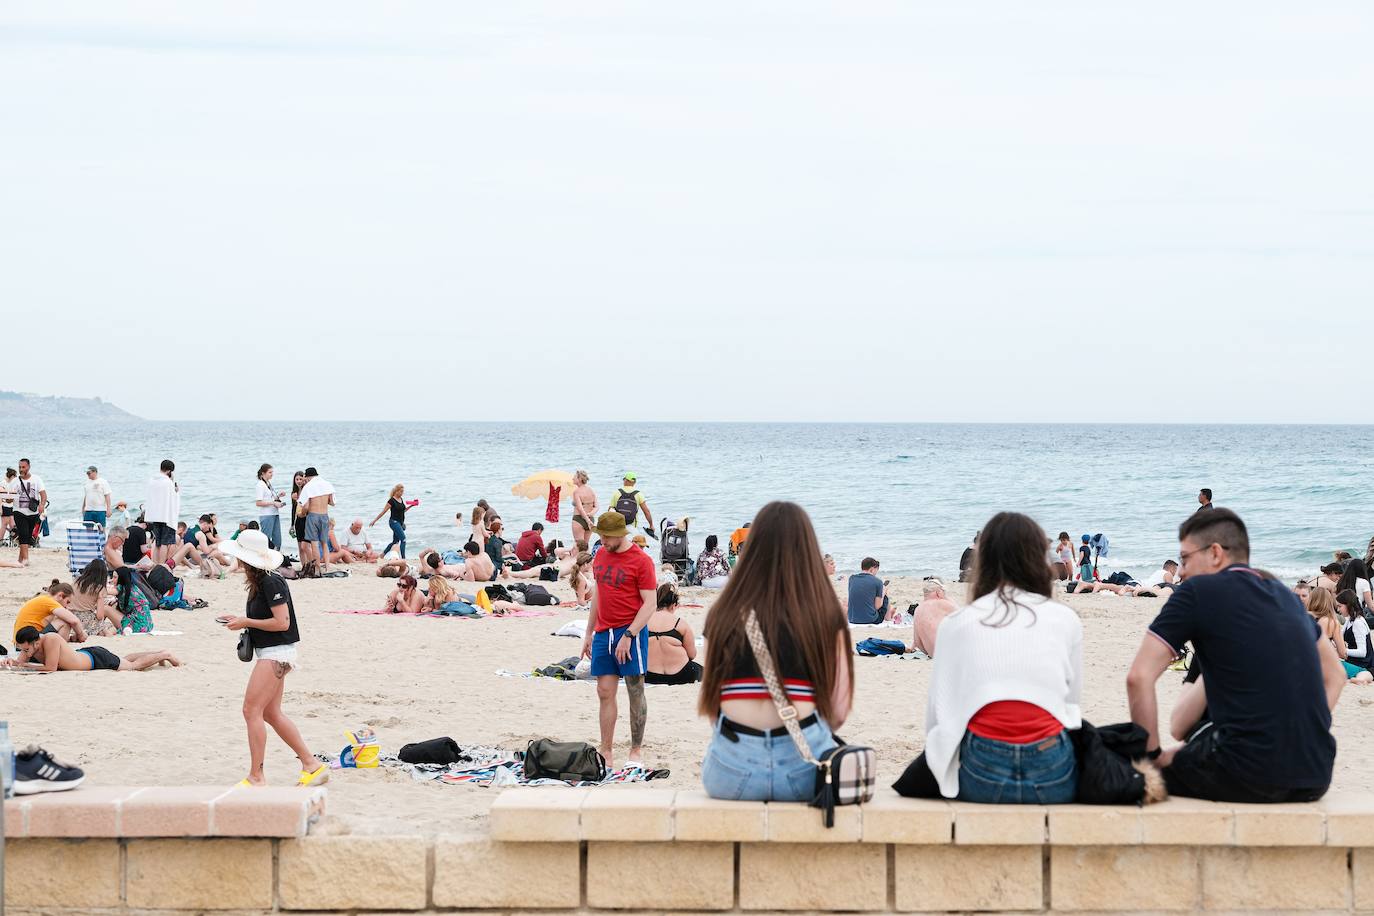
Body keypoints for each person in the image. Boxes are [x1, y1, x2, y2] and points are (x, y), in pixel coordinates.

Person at [1125, 508, 1343, 802]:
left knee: (1121, 765)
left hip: (1242, 771)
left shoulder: (1196, 592)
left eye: (1186, 558)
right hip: (1315, 773)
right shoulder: (1285, 597)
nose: (1182, 571)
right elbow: (1336, 676)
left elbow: (1138, 678)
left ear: (1215, 553)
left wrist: (1152, 758)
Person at [917, 512, 1083, 803]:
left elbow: (937, 717)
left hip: (983, 768)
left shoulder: (958, 623)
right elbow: (1071, 707)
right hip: (1051, 767)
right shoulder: (1065, 618)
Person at [698, 501, 851, 801]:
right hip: (805, 769)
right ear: (808, 550)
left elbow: (714, 709)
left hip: (731, 772)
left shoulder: (724, 613)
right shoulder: (827, 615)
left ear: (752, 548)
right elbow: (838, 712)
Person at [217, 529, 328, 788]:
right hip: (274, 652)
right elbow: (270, 619)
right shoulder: (261, 581)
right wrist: (240, 619)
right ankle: (312, 765)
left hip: (277, 652)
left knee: (251, 710)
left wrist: (245, 621)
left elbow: (282, 622)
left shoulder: (271, 581)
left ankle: (257, 776)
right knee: (271, 713)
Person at [580, 511, 658, 768]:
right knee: (604, 691)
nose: (601, 540)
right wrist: (589, 632)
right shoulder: (601, 554)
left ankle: (635, 750)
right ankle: (606, 750)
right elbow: (599, 594)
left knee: (635, 689)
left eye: (606, 536)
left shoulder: (641, 561)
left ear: (619, 535)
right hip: (604, 631)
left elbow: (650, 604)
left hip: (630, 630)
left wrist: (629, 634)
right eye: (600, 535)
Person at [8, 627, 179, 672]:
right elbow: (19, 663)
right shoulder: (31, 646)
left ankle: (165, 654)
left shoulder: (50, 639)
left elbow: (51, 668)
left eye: (26, 649)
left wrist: (26, 666)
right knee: (125, 659)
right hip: (88, 655)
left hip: (95, 660)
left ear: (35, 643)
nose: (24, 653)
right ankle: (158, 653)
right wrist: (11, 662)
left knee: (132, 667)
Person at [644, 584, 701, 685]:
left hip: (650, 675)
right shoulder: (680, 623)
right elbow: (692, 655)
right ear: (674, 605)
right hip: (680, 673)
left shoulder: (644, 621)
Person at [12, 582, 83, 643]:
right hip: (28, 642)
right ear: (60, 596)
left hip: (21, 642)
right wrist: (81, 635)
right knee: (64, 622)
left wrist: (70, 638)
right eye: (67, 602)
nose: (66, 606)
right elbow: (74, 621)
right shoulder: (50, 602)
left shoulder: (44, 600)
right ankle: (60, 652)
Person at [297, 467, 336, 574]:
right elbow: (332, 502)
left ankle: (317, 568)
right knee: (324, 543)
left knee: (314, 543)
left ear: (308, 477)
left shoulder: (309, 486)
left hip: (313, 516)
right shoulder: (327, 484)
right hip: (324, 515)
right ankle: (327, 567)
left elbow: (305, 506)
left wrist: (302, 514)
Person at [69, 559, 121, 637]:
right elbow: (100, 616)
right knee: (111, 627)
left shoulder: (76, 581)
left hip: (70, 616)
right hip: (86, 618)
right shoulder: (99, 589)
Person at [145, 459, 180, 567]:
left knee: (157, 541)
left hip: (154, 515)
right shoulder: (168, 482)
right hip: (165, 516)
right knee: (164, 542)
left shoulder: (151, 480)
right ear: (169, 471)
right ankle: (160, 564)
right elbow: (173, 499)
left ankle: (154, 563)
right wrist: (176, 490)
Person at [12, 458, 46, 566]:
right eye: (20, 467)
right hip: (19, 511)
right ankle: (26, 560)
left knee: (27, 536)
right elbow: (10, 497)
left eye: (23, 467)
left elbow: (43, 495)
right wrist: (7, 499)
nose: (21, 469)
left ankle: (20, 559)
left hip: (32, 512)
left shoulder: (37, 479)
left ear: (28, 467)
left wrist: (41, 505)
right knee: (23, 534)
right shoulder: (15, 481)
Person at [911, 578, 956, 657]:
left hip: (933, 653)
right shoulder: (944, 603)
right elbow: (964, 618)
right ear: (938, 592)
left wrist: (929, 651)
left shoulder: (918, 610)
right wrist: (946, 598)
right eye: (944, 591)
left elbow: (917, 642)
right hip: (948, 652)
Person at [1336, 589, 1372, 679]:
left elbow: (1363, 652)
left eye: (1340, 606)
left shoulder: (1358, 622)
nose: (1338, 609)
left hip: (1363, 665)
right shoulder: (1350, 620)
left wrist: (1343, 651)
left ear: (1348, 605)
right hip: (1354, 662)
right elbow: (1340, 635)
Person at [371, 484, 411, 559]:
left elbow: (403, 511)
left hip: (400, 523)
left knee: (395, 542)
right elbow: (383, 512)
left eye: (403, 491)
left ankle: (382, 555)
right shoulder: (391, 501)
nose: (402, 493)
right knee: (403, 539)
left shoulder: (401, 499)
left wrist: (411, 506)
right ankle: (403, 558)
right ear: (396, 491)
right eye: (401, 491)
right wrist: (374, 520)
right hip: (394, 522)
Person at [847, 557, 890, 624]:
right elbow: (877, 606)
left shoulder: (852, 579)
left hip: (852, 619)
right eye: (876, 570)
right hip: (871, 620)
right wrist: (883, 593)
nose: (876, 573)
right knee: (885, 595)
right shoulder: (878, 581)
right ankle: (888, 618)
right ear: (872, 569)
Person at [255, 464, 285, 550]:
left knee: (277, 540)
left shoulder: (267, 483)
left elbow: (269, 498)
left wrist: (278, 496)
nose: (272, 474)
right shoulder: (260, 485)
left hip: (274, 513)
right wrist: (273, 503)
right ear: (263, 473)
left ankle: (276, 560)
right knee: (265, 540)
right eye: (270, 472)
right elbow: (258, 503)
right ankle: (264, 560)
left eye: (272, 472)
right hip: (266, 515)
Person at [289, 471, 314, 567]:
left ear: (304, 480)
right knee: (300, 547)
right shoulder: (294, 493)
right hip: (298, 520)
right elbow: (293, 509)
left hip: (307, 519)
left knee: (306, 546)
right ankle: (304, 566)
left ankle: (311, 565)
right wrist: (292, 524)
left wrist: (298, 499)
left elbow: (308, 506)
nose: (299, 481)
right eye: (297, 479)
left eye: (300, 479)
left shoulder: (306, 490)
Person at [571, 470, 597, 546]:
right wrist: (591, 514)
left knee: (579, 546)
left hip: (579, 519)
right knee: (586, 545)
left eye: (574, 477)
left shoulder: (576, 492)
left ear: (579, 479)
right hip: (591, 518)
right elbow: (597, 506)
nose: (572, 478)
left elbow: (580, 508)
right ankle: (587, 558)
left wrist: (587, 520)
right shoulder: (591, 490)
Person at [0, 466, 15, 542]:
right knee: (4, 525)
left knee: (12, 525)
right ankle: (1, 540)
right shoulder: (3, 483)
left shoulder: (11, 483)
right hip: (4, 506)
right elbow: (1, 497)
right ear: (12, 476)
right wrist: (0, 508)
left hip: (11, 506)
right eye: (14, 477)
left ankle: (13, 541)